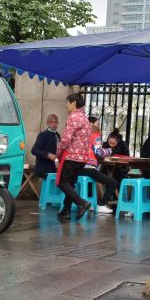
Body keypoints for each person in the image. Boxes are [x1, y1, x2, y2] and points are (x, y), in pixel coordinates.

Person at [55, 93, 91, 223]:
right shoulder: (85, 118)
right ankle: (66, 211)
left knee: (62, 183)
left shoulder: (73, 117)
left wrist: (58, 154)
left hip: (71, 156)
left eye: (68, 102)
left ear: (74, 103)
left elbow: (65, 139)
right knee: (70, 184)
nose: (66, 105)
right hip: (82, 158)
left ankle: (82, 203)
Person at [79, 123, 115, 214]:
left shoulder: (81, 137)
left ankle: (89, 204)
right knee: (113, 183)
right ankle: (101, 205)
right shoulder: (95, 135)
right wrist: (110, 150)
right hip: (89, 168)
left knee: (91, 180)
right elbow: (99, 152)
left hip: (78, 168)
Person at [31, 114, 60, 180]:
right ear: (47, 123)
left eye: (56, 122)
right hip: (44, 169)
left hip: (54, 169)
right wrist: (48, 155)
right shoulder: (43, 135)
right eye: (51, 122)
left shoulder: (57, 135)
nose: (54, 124)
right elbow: (34, 150)